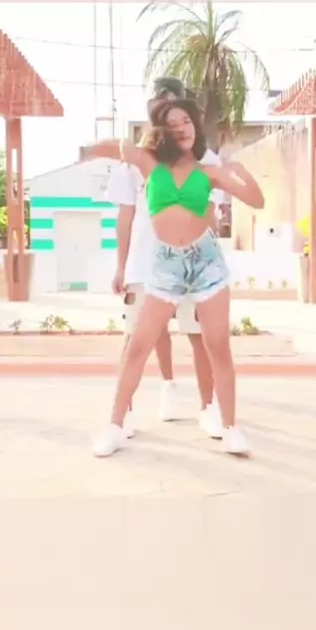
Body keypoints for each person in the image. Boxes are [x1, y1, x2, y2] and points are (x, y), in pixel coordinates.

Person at [80, 97, 265, 458]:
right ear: (162, 132)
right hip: (166, 265)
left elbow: (256, 200)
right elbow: (117, 147)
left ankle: (230, 428)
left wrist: (240, 169)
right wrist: (88, 151)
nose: (181, 127)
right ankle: (115, 426)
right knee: (138, 345)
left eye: (186, 121)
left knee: (217, 346)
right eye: (173, 123)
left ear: (195, 127)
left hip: (206, 263)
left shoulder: (209, 172)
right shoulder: (149, 165)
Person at [105, 77, 224, 441]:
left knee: (199, 336)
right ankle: (124, 415)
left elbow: (211, 217)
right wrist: (121, 266)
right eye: (160, 108)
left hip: (193, 265)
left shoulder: (207, 160)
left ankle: (208, 408)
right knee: (136, 339)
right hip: (145, 264)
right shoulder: (133, 162)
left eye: (176, 109)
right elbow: (125, 216)